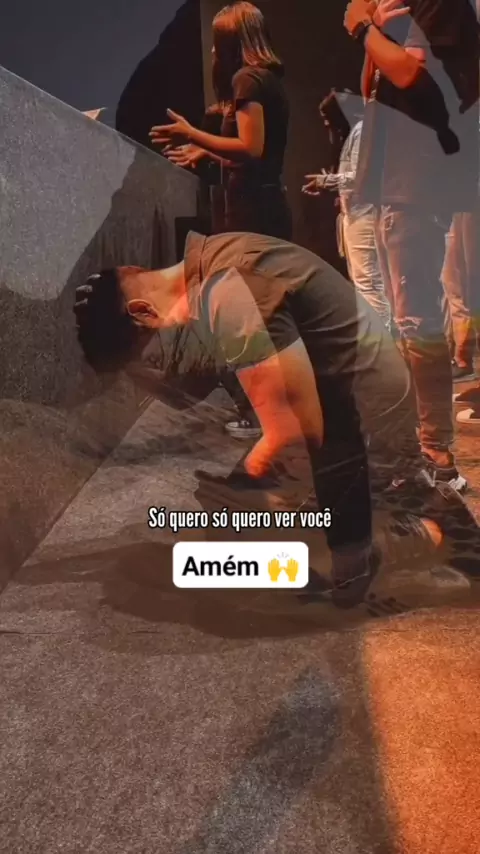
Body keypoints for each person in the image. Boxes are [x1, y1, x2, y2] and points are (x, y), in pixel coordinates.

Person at [73, 230, 474, 607]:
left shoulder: (229, 294)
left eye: (150, 360)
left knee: (234, 555)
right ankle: (383, 525)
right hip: (344, 406)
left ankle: (405, 531)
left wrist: (245, 491)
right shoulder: (210, 266)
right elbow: (203, 388)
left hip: (362, 421)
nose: (158, 372)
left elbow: (294, 433)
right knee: (229, 549)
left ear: (144, 311)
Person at [343, 0, 479, 493]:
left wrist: (362, 28)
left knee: (417, 319)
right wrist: (373, 34)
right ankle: (417, 446)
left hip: (417, 182)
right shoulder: (396, 18)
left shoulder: (438, 4)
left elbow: (412, 76)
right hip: (392, 184)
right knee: (406, 320)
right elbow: (372, 90)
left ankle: (436, 454)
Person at [150, 2, 292, 442]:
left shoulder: (247, 79)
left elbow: (251, 147)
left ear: (232, 43)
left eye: (217, 42)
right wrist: (206, 150)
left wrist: (193, 134)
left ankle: (264, 415)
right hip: (261, 210)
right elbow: (253, 153)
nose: (212, 51)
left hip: (253, 215)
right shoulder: (266, 79)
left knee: (245, 318)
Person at [302, 91, 391, 328]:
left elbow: (359, 176)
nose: (326, 124)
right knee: (362, 282)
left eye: (328, 118)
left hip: (364, 215)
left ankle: (382, 338)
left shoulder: (360, 131)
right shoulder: (352, 134)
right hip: (354, 214)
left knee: (368, 283)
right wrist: (330, 188)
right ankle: (377, 337)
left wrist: (326, 181)